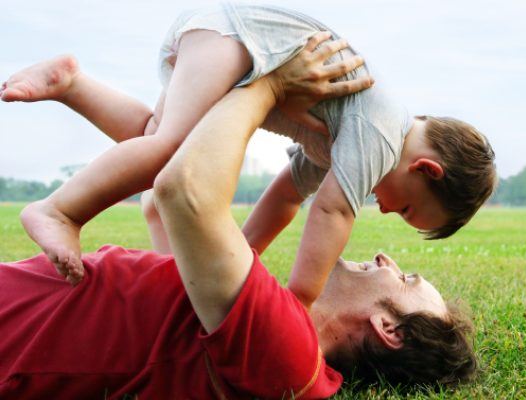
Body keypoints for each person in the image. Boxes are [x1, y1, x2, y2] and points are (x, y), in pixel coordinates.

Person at [0, 65, 477, 398]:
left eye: (407, 279)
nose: (387, 260)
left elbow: (184, 192)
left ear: (388, 329)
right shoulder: (259, 325)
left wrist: (266, 84)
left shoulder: (292, 349)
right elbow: (160, 208)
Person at [1, 4, 496, 308]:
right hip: (237, 42)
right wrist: (299, 298)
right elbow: (331, 210)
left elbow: (285, 196)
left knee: (155, 138)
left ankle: (70, 82)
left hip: (226, 44)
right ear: (426, 169)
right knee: (168, 149)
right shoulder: (385, 134)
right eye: (406, 207)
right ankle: (59, 210)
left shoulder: (346, 136)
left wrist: (243, 257)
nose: (386, 210)